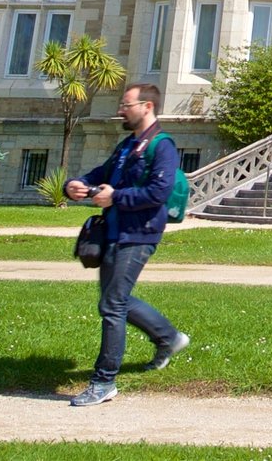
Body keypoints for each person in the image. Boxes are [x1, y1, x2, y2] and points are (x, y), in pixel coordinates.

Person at [63, 83, 189, 406]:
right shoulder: (126, 147)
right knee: (113, 300)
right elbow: (102, 173)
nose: (121, 109)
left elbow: (157, 194)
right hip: (115, 231)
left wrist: (115, 197)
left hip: (140, 233)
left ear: (147, 107)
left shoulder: (162, 146)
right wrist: (76, 186)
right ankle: (169, 338)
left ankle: (104, 381)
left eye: (127, 104)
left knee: (112, 304)